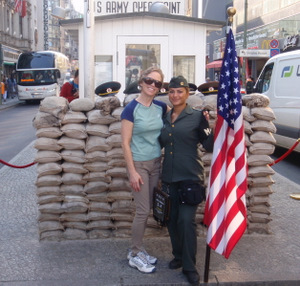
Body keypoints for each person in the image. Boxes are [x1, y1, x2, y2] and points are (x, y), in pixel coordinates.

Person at [160, 75, 214, 285]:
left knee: (186, 221)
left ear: (187, 94)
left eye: (179, 91)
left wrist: (210, 126)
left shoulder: (197, 116)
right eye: (171, 91)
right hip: (169, 176)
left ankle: (190, 267)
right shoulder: (165, 117)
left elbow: (208, 145)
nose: (175, 95)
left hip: (190, 176)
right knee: (171, 220)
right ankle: (179, 255)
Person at [121, 66, 170, 274]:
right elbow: (125, 143)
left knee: (148, 208)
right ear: (141, 82)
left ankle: (139, 250)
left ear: (160, 88)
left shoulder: (160, 107)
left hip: (155, 163)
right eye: (149, 81)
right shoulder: (131, 109)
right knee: (142, 211)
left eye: (157, 83)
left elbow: (178, 116)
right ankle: (134, 254)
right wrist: (132, 171)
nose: (152, 85)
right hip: (139, 165)